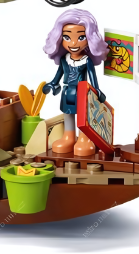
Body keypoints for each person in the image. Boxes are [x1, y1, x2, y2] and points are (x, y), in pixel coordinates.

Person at [43, 8, 107, 155]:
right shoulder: (64, 59)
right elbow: (59, 74)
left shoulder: (86, 60)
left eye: (81, 37)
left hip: (82, 92)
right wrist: (53, 83)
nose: (73, 43)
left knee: (84, 116)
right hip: (67, 91)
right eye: (67, 37)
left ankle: (84, 138)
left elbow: (93, 78)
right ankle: (69, 137)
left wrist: (97, 91)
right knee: (68, 114)